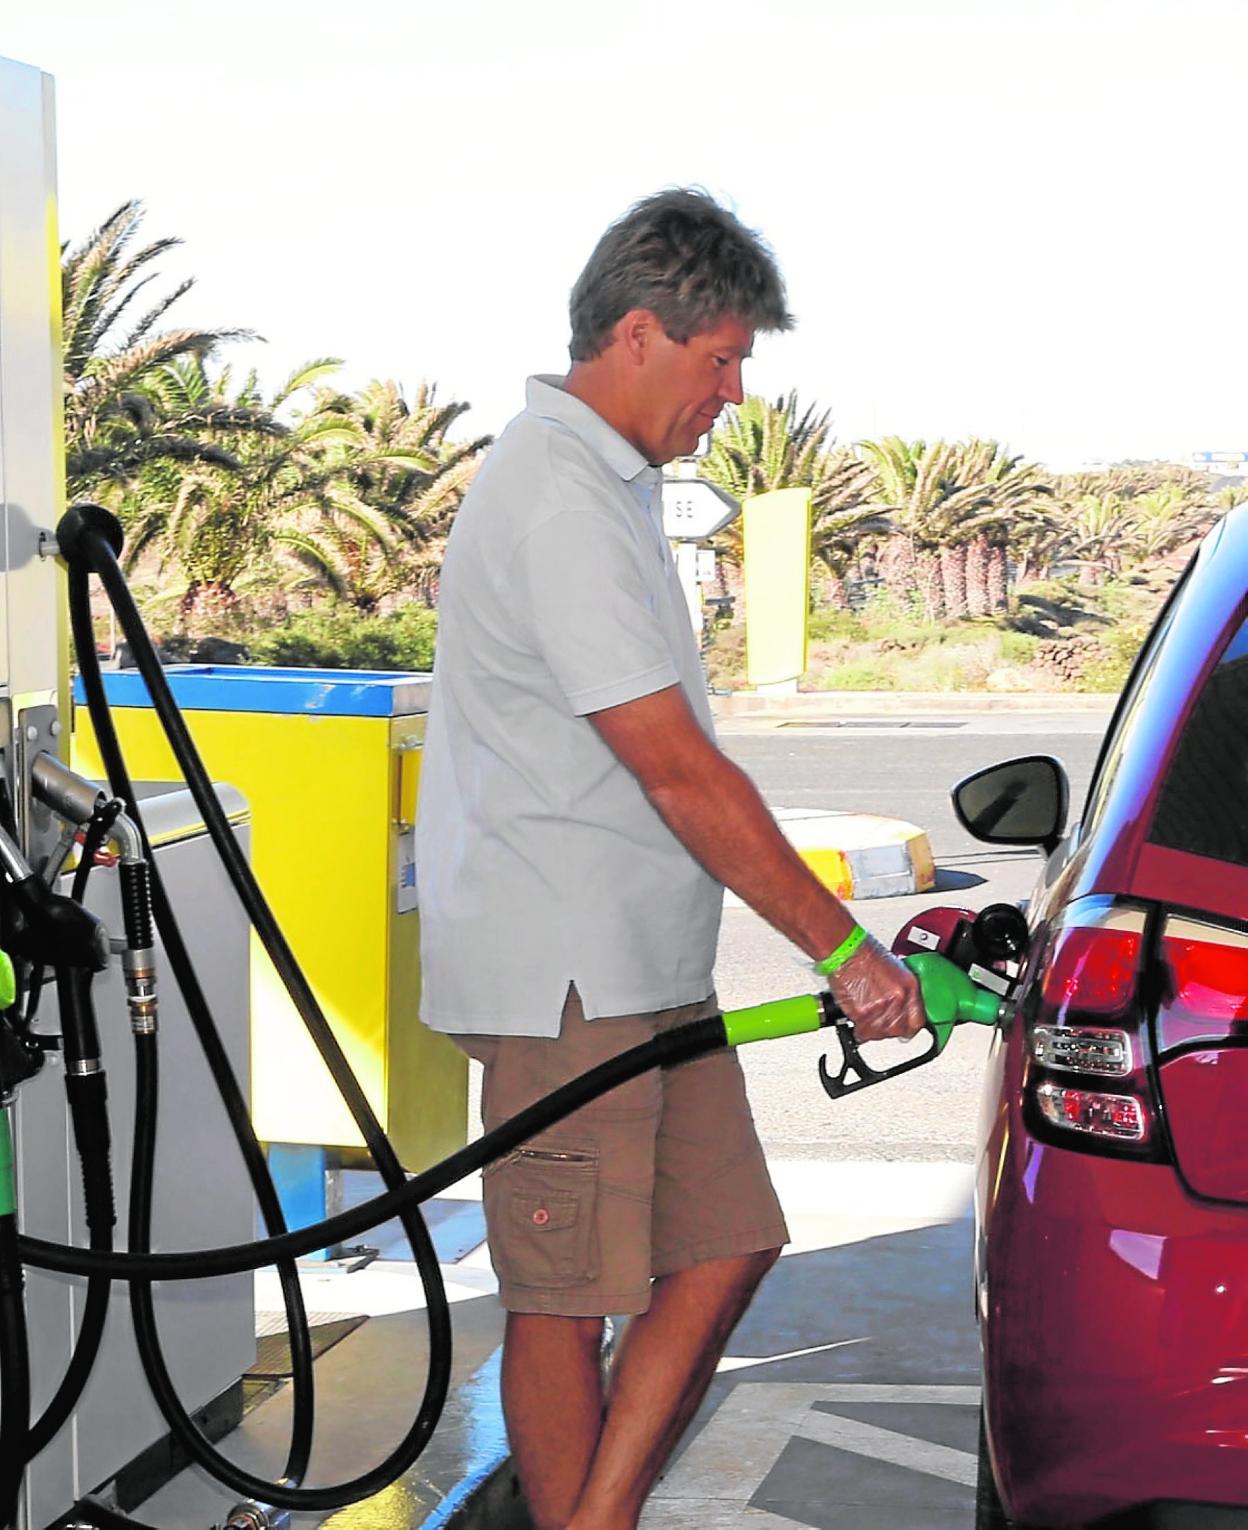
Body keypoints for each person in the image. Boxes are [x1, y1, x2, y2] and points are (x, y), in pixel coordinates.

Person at [415, 187, 926, 1530]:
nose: (732, 390)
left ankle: (597, 1517)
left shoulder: (614, 488)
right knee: (565, 1292)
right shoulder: (557, 495)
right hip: (565, 978)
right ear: (640, 333)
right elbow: (678, 769)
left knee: (726, 1237)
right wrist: (841, 944)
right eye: (722, 359)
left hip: (644, 969)